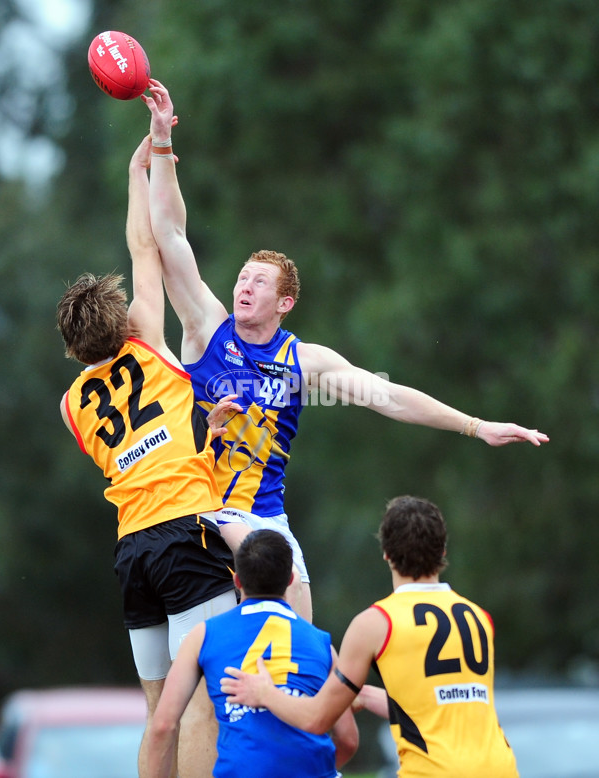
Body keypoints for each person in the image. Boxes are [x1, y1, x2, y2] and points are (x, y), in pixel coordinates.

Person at [142, 79, 549, 622]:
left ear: (284, 302)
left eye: (259, 282)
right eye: (242, 277)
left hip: (266, 518)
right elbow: (170, 235)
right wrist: (162, 142)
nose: (243, 286)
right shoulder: (206, 329)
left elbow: (388, 397)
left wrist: (476, 427)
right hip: (203, 509)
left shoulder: (303, 361)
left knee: (304, 649)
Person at [56, 135, 242, 778]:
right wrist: (138, 172)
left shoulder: (71, 405)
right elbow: (145, 247)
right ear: (122, 322)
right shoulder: (148, 342)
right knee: (204, 705)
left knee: (159, 710)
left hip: (131, 547)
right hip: (185, 530)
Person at [221, 496, 520, 778]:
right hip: (501, 768)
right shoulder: (480, 618)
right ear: (442, 551)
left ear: (386, 553)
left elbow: (317, 719)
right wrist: (362, 694)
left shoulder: (376, 623)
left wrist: (264, 693)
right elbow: (440, 705)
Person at [144, 529, 359, 778]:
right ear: (290, 580)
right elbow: (348, 739)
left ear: (237, 581)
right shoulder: (323, 644)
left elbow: (163, 726)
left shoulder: (204, 635)